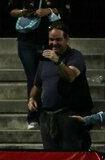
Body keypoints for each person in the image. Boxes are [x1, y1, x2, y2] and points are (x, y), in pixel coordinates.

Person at [28, 22, 92, 151]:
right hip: (47, 117)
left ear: (67, 39)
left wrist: (58, 62)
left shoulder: (75, 56)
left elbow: (70, 76)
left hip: (69, 116)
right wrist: (32, 98)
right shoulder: (44, 59)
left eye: (58, 39)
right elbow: (37, 84)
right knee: (51, 158)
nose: (54, 43)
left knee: (71, 157)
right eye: (51, 39)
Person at [9, 0, 63, 130]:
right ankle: (33, 117)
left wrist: (48, 11)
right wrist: (23, 12)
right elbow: (11, 11)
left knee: (48, 77)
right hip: (25, 42)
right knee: (33, 78)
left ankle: (50, 114)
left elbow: (64, 10)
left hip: (47, 41)